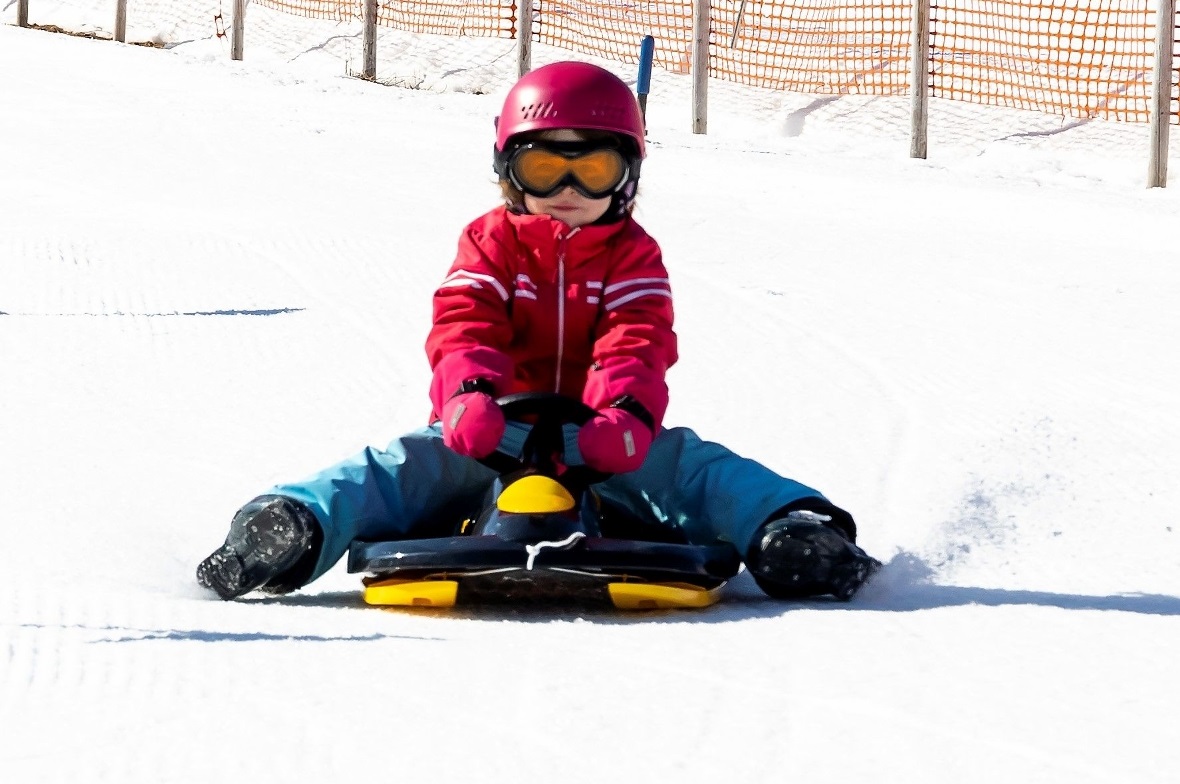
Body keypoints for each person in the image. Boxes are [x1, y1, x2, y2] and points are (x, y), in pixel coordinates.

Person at [196, 61, 879, 603]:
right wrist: (467, 396)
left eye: (594, 167)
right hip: (491, 432)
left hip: (602, 438)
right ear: (508, 171)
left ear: (628, 175)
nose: (569, 187)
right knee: (399, 468)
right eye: (545, 166)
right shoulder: (488, 242)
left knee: (692, 470)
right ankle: (290, 526)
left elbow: (637, 336)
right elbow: (465, 321)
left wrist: (626, 414)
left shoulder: (633, 255)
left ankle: (788, 530)